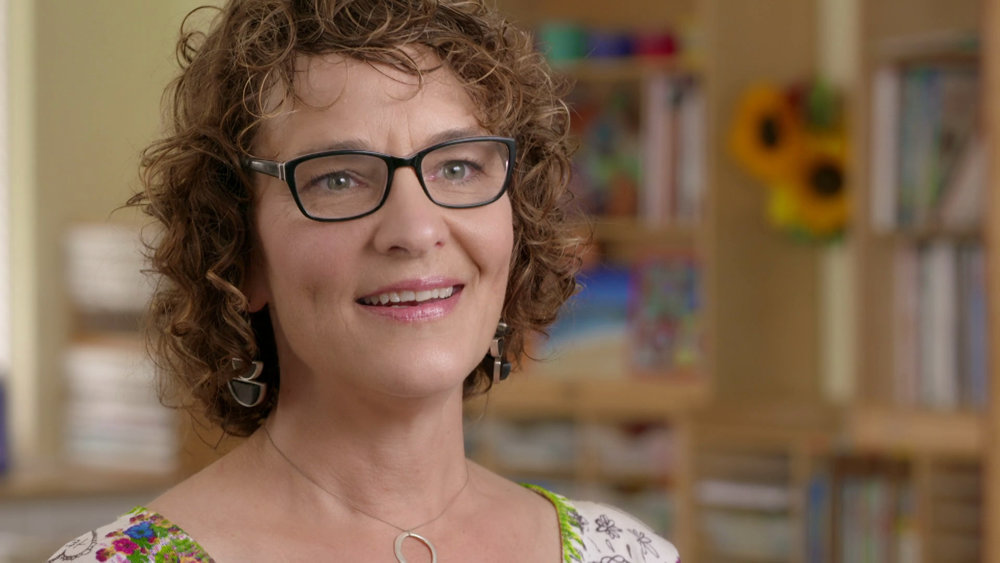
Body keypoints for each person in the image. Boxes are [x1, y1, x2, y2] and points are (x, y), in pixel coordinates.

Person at [49, 1, 680, 561]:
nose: (416, 229)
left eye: (458, 167)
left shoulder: (624, 553)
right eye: (338, 178)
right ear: (239, 253)